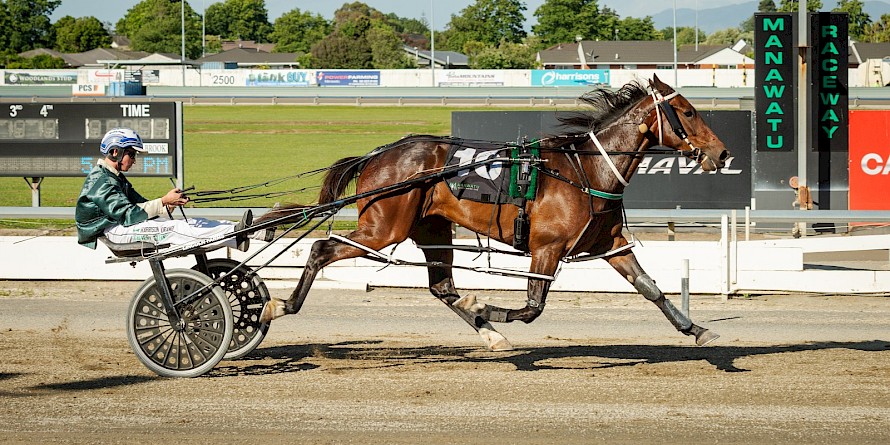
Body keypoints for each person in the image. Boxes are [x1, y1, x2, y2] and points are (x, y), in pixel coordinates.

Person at [75, 128, 272, 253]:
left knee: (193, 222)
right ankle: (238, 232)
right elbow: (129, 215)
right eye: (132, 154)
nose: (134, 160)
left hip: (122, 227)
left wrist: (169, 203)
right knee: (177, 229)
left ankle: (248, 232)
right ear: (115, 152)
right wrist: (163, 201)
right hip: (114, 232)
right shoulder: (101, 181)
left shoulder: (114, 177)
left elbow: (142, 205)